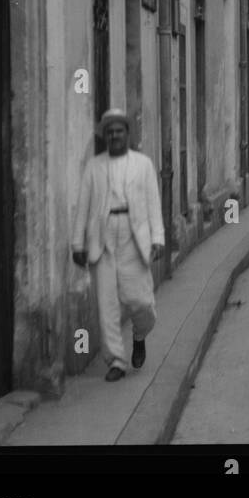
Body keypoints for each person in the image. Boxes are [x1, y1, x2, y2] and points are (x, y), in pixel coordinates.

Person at [71, 110, 165, 382]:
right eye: (109, 132)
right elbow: (83, 206)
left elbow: (153, 203)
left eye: (119, 131)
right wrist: (78, 243)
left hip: (134, 236)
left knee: (141, 301)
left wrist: (158, 238)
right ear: (105, 136)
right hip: (102, 237)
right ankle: (116, 361)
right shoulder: (94, 167)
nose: (114, 135)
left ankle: (139, 335)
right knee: (107, 304)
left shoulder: (143, 165)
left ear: (127, 134)